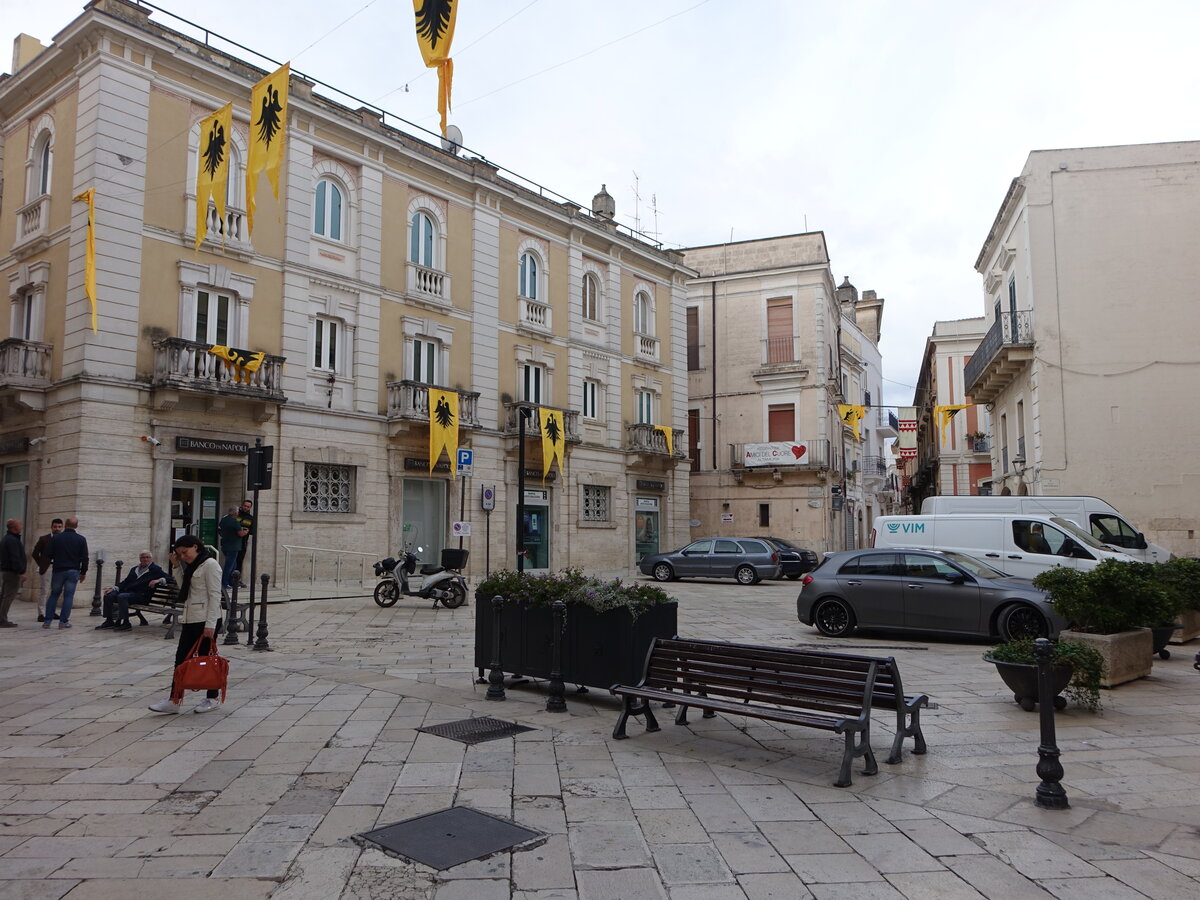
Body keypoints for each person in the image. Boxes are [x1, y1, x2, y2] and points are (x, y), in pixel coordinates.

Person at [149, 534, 224, 714]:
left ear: (195, 546)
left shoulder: (210, 565)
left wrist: (210, 625)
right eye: (180, 554)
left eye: (185, 552)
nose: (183, 556)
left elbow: (215, 596)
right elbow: (186, 589)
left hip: (205, 619)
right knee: (181, 660)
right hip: (192, 617)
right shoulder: (193, 566)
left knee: (207, 659)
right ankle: (174, 699)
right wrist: (176, 566)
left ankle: (212, 697)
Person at [97, 551, 173, 632]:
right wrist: (113, 588)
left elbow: (169, 578)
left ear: (151, 559)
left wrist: (158, 580)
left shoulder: (155, 569)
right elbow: (126, 582)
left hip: (142, 596)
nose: (145, 559)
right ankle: (109, 621)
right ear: (140, 559)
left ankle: (126, 623)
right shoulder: (135, 569)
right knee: (109, 595)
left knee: (122, 597)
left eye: (147, 557)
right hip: (129, 594)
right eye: (143, 557)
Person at [45, 516, 87, 629]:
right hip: (73, 570)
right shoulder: (81, 539)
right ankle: (63, 622)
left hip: (58, 569)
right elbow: (85, 558)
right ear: (76, 526)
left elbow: (48, 554)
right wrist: (83, 572)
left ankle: (47, 621)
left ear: (65, 525)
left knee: (54, 594)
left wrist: (57, 557)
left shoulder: (56, 538)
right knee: (68, 596)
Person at [31, 518, 63, 622]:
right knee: (44, 590)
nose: (57, 529)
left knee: (55, 590)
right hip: (47, 567)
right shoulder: (44, 539)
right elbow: (35, 553)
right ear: (51, 527)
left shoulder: (63, 539)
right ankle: (41, 613)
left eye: (59, 527)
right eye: (55, 527)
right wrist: (42, 564)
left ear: (62, 527)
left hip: (59, 568)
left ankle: (51, 611)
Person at [0, 518, 26, 628]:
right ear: (15, 528)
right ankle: (2, 619)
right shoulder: (11, 540)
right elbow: (14, 558)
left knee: (4, 595)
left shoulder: (8, 539)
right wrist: (20, 572)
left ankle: (1, 618)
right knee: (9, 596)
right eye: (20, 525)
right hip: (11, 572)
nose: (21, 526)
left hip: (7, 570)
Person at [217, 508, 248, 593]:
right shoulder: (234, 522)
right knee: (229, 566)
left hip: (225, 545)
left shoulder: (224, 519)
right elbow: (240, 533)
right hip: (233, 547)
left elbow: (220, 529)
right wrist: (245, 532)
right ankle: (225, 583)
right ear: (235, 513)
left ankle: (231, 583)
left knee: (233, 566)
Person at [234, 499, 254, 588]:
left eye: (248, 506)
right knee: (232, 561)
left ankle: (237, 580)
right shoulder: (236, 515)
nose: (246, 508)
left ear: (250, 508)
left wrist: (247, 531)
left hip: (243, 543)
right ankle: (230, 580)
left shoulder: (250, 518)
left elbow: (253, 531)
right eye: (245, 506)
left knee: (239, 561)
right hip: (233, 541)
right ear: (242, 505)